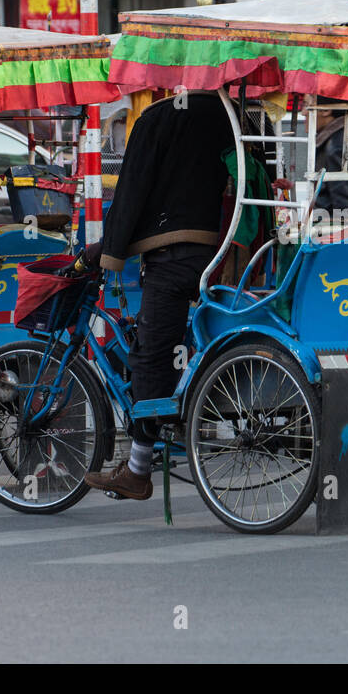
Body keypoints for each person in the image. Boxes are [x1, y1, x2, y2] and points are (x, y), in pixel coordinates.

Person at [82, 91, 234, 500]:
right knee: (202, 342)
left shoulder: (158, 117)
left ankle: (137, 467)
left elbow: (132, 191)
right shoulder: (234, 112)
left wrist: (108, 250)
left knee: (152, 352)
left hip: (174, 257)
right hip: (226, 254)